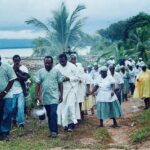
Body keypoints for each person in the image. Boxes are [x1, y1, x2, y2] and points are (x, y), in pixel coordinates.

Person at [35, 56, 64, 138]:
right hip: (45, 97)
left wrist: (61, 95)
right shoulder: (40, 72)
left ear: (52, 63)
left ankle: (54, 131)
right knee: (49, 114)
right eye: (46, 63)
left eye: (49, 63)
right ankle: (51, 131)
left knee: (53, 113)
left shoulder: (57, 71)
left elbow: (60, 84)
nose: (47, 64)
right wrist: (36, 95)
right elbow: (37, 84)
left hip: (54, 96)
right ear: (44, 63)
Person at [55, 53, 80, 132]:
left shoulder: (72, 67)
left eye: (63, 61)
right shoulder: (56, 68)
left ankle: (71, 124)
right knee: (63, 108)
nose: (62, 63)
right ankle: (65, 124)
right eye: (60, 61)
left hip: (71, 89)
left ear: (66, 59)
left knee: (70, 105)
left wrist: (69, 78)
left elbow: (78, 77)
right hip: (61, 90)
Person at [0, 56, 16, 141]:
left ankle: (5, 132)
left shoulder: (7, 67)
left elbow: (12, 80)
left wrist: (4, 92)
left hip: (7, 95)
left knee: (7, 112)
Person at [12, 55, 30, 127]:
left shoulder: (23, 68)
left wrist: (17, 72)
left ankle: (21, 123)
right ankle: (13, 119)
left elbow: (26, 78)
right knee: (13, 107)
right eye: (15, 61)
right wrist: (20, 76)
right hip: (12, 90)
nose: (17, 62)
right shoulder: (10, 68)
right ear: (13, 61)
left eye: (18, 61)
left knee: (20, 107)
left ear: (20, 60)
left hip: (21, 91)